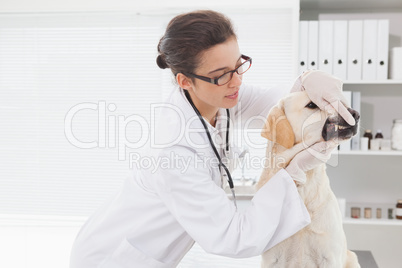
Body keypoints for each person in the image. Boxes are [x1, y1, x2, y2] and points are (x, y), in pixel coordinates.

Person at [70, 10, 355, 268]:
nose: (237, 82)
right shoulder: (173, 150)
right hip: (113, 258)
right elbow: (233, 238)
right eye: (221, 75)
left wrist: (308, 79)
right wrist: (292, 173)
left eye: (239, 65)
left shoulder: (218, 95)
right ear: (184, 81)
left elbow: (280, 103)